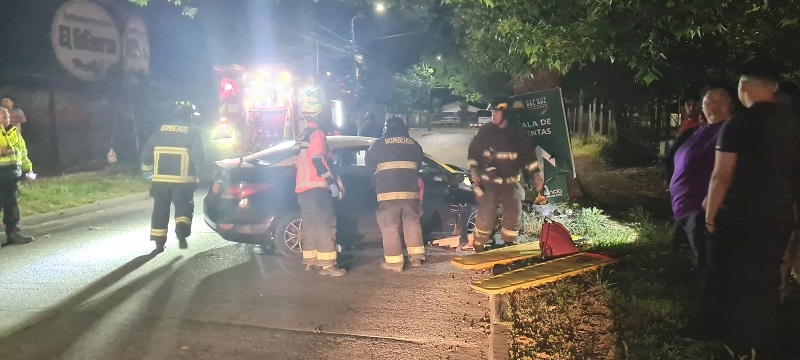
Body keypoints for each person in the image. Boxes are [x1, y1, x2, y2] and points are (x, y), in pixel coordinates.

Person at [703, 57, 800, 358]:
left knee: (736, 280)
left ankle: (741, 345)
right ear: (774, 87)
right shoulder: (794, 123)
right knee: (767, 278)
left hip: (738, 217)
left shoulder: (738, 123)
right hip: (779, 217)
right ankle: (765, 341)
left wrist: (709, 218)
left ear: (743, 87)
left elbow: (721, 176)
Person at [670, 85, 736, 274]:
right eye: (708, 101)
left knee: (710, 265)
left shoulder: (730, 131)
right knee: (701, 259)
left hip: (705, 211)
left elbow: (728, 173)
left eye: (720, 100)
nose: (712, 106)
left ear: (732, 103)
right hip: (686, 208)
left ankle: (714, 300)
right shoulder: (702, 129)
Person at [467, 101, 543, 252]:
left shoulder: (518, 134)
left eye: (496, 112)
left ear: (506, 115)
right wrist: (474, 170)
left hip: (510, 182)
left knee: (514, 211)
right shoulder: (486, 131)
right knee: (486, 212)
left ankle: (509, 242)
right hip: (489, 182)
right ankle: (479, 244)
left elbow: (529, 157)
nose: (493, 115)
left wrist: (536, 175)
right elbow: (473, 152)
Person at [140, 101, 205, 253]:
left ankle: (158, 241)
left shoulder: (160, 129)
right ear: (189, 115)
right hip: (183, 180)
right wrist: (198, 169)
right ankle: (182, 232)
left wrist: (147, 171)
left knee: (160, 208)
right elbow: (198, 157)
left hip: (160, 180)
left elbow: (147, 153)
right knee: (183, 206)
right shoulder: (194, 131)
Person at [365, 116, 425, 272]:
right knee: (412, 223)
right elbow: (418, 166)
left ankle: (394, 263)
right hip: (410, 193)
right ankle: (416, 258)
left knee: (390, 227)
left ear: (386, 129)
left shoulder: (378, 144)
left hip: (387, 193)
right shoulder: (414, 144)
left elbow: (369, 165)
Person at [293, 111, 346, 277]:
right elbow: (317, 160)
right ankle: (328, 265)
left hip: (302, 189)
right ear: (316, 116)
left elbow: (297, 161)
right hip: (317, 187)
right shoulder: (317, 134)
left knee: (310, 226)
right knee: (325, 225)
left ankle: (311, 261)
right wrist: (331, 183)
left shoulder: (301, 135)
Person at [0, 108, 33, 246]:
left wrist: (28, 170)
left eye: (7, 116)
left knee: (12, 207)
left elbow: (23, 154)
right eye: (4, 116)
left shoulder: (15, 134)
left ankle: (13, 235)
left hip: (12, 176)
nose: (7, 118)